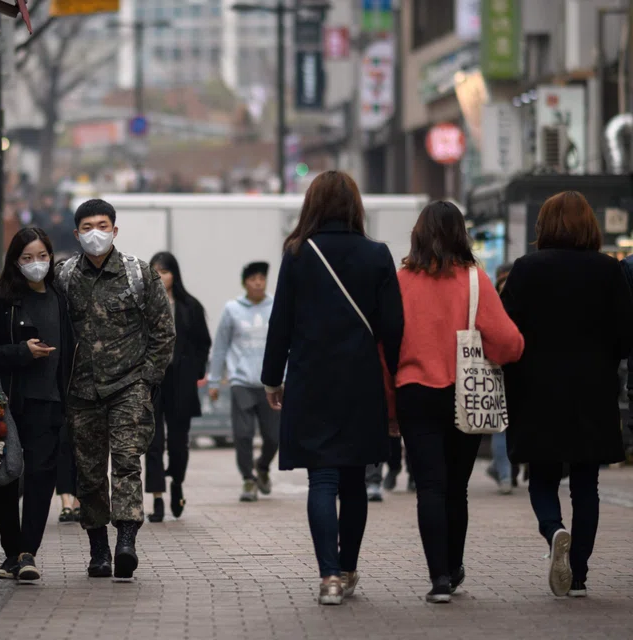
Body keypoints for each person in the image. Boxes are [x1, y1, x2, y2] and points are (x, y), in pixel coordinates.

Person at [261, 171, 404, 606]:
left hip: (311, 378)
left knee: (321, 478)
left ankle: (329, 579)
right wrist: (395, 377)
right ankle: (348, 566)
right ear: (354, 206)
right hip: (360, 381)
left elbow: (280, 320)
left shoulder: (298, 254)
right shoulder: (377, 254)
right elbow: (393, 326)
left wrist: (272, 377)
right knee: (354, 479)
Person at [502, 191, 633, 598]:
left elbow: (507, 330)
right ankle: (578, 573)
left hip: (537, 388)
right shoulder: (608, 271)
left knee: (542, 476)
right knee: (586, 484)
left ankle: (554, 529)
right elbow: (626, 335)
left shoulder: (526, 269)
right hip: (592, 388)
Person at [393, 201, 524, 603]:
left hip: (414, 392)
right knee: (456, 488)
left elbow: (386, 343)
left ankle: (439, 581)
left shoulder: (400, 281)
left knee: (429, 486)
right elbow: (509, 343)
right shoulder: (474, 280)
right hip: (464, 393)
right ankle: (454, 565)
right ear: (460, 234)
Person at [55, 198, 176, 581]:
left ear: (115, 230)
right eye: (87, 226)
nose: (96, 233)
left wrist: (148, 379)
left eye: (102, 225)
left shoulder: (139, 274)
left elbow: (163, 332)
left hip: (129, 387)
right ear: (77, 233)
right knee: (89, 474)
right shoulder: (64, 277)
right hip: (81, 391)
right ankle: (98, 550)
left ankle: (126, 541)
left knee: (126, 463)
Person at [0, 227, 76, 582]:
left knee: (42, 478)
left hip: (48, 402)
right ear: (15, 261)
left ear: (51, 257)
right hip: (7, 405)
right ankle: (10, 552)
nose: (36, 264)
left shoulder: (60, 298)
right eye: (27, 257)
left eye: (42, 256)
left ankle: (28, 552)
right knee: (4, 478)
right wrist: (21, 352)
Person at [144, 251, 211, 522]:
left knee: (179, 443)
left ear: (175, 274)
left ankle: (177, 485)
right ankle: (157, 498)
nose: (161, 276)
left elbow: (203, 342)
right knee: (153, 442)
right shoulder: (142, 304)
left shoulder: (189, 306)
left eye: (166, 271)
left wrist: (194, 370)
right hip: (153, 381)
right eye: (156, 271)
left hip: (181, 382)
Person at [208, 261, 281, 503]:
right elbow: (220, 347)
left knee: (273, 436)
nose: (258, 282)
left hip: (271, 382)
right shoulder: (232, 309)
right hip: (241, 381)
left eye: (262, 278)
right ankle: (248, 480)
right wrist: (214, 381)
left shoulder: (277, 306)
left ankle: (262, 467)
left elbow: (287, 344)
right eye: (253, 279)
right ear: (245, 283)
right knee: (243, 434)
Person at [485, 262, 518, 494]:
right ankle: (506, 471)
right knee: (514, 423)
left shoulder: (492, 298)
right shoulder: (522, 295)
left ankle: (504, 473)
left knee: (500, 425)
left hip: (496, 368)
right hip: (519, 365)